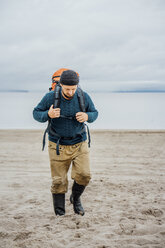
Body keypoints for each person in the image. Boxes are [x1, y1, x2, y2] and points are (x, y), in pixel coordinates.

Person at [33, 69, 98, 216]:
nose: (70, 92)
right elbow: (36, 113)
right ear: (60, 85)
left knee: (84, 175)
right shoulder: (50, 97)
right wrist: (47, 114)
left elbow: (95, 113)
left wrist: (87, 116)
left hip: (79, 143)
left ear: (77, 86)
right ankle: (60, 214)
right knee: (58, 182)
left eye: (73, 89)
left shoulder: (83, 96)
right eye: (67, 89)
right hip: (57, 145)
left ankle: (75, 199)